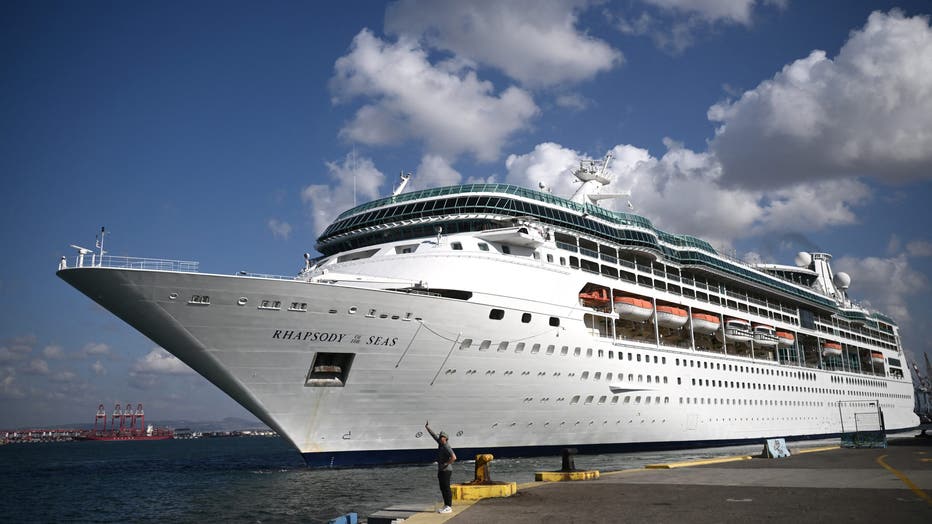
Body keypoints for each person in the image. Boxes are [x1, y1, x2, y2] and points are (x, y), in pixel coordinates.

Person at [425, 420, 456, 514]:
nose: (441, 438)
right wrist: (427, 428)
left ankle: (449, 506)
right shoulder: (440, 444)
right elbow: (434, 435)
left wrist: (447, 463)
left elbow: (454, 457)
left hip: (446, 470)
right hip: (441, 470)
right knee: (442, 488)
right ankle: (446, 505)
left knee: (446, 487)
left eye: (443, 437)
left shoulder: (446, 446)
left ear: (446, 439)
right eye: (441, 437)